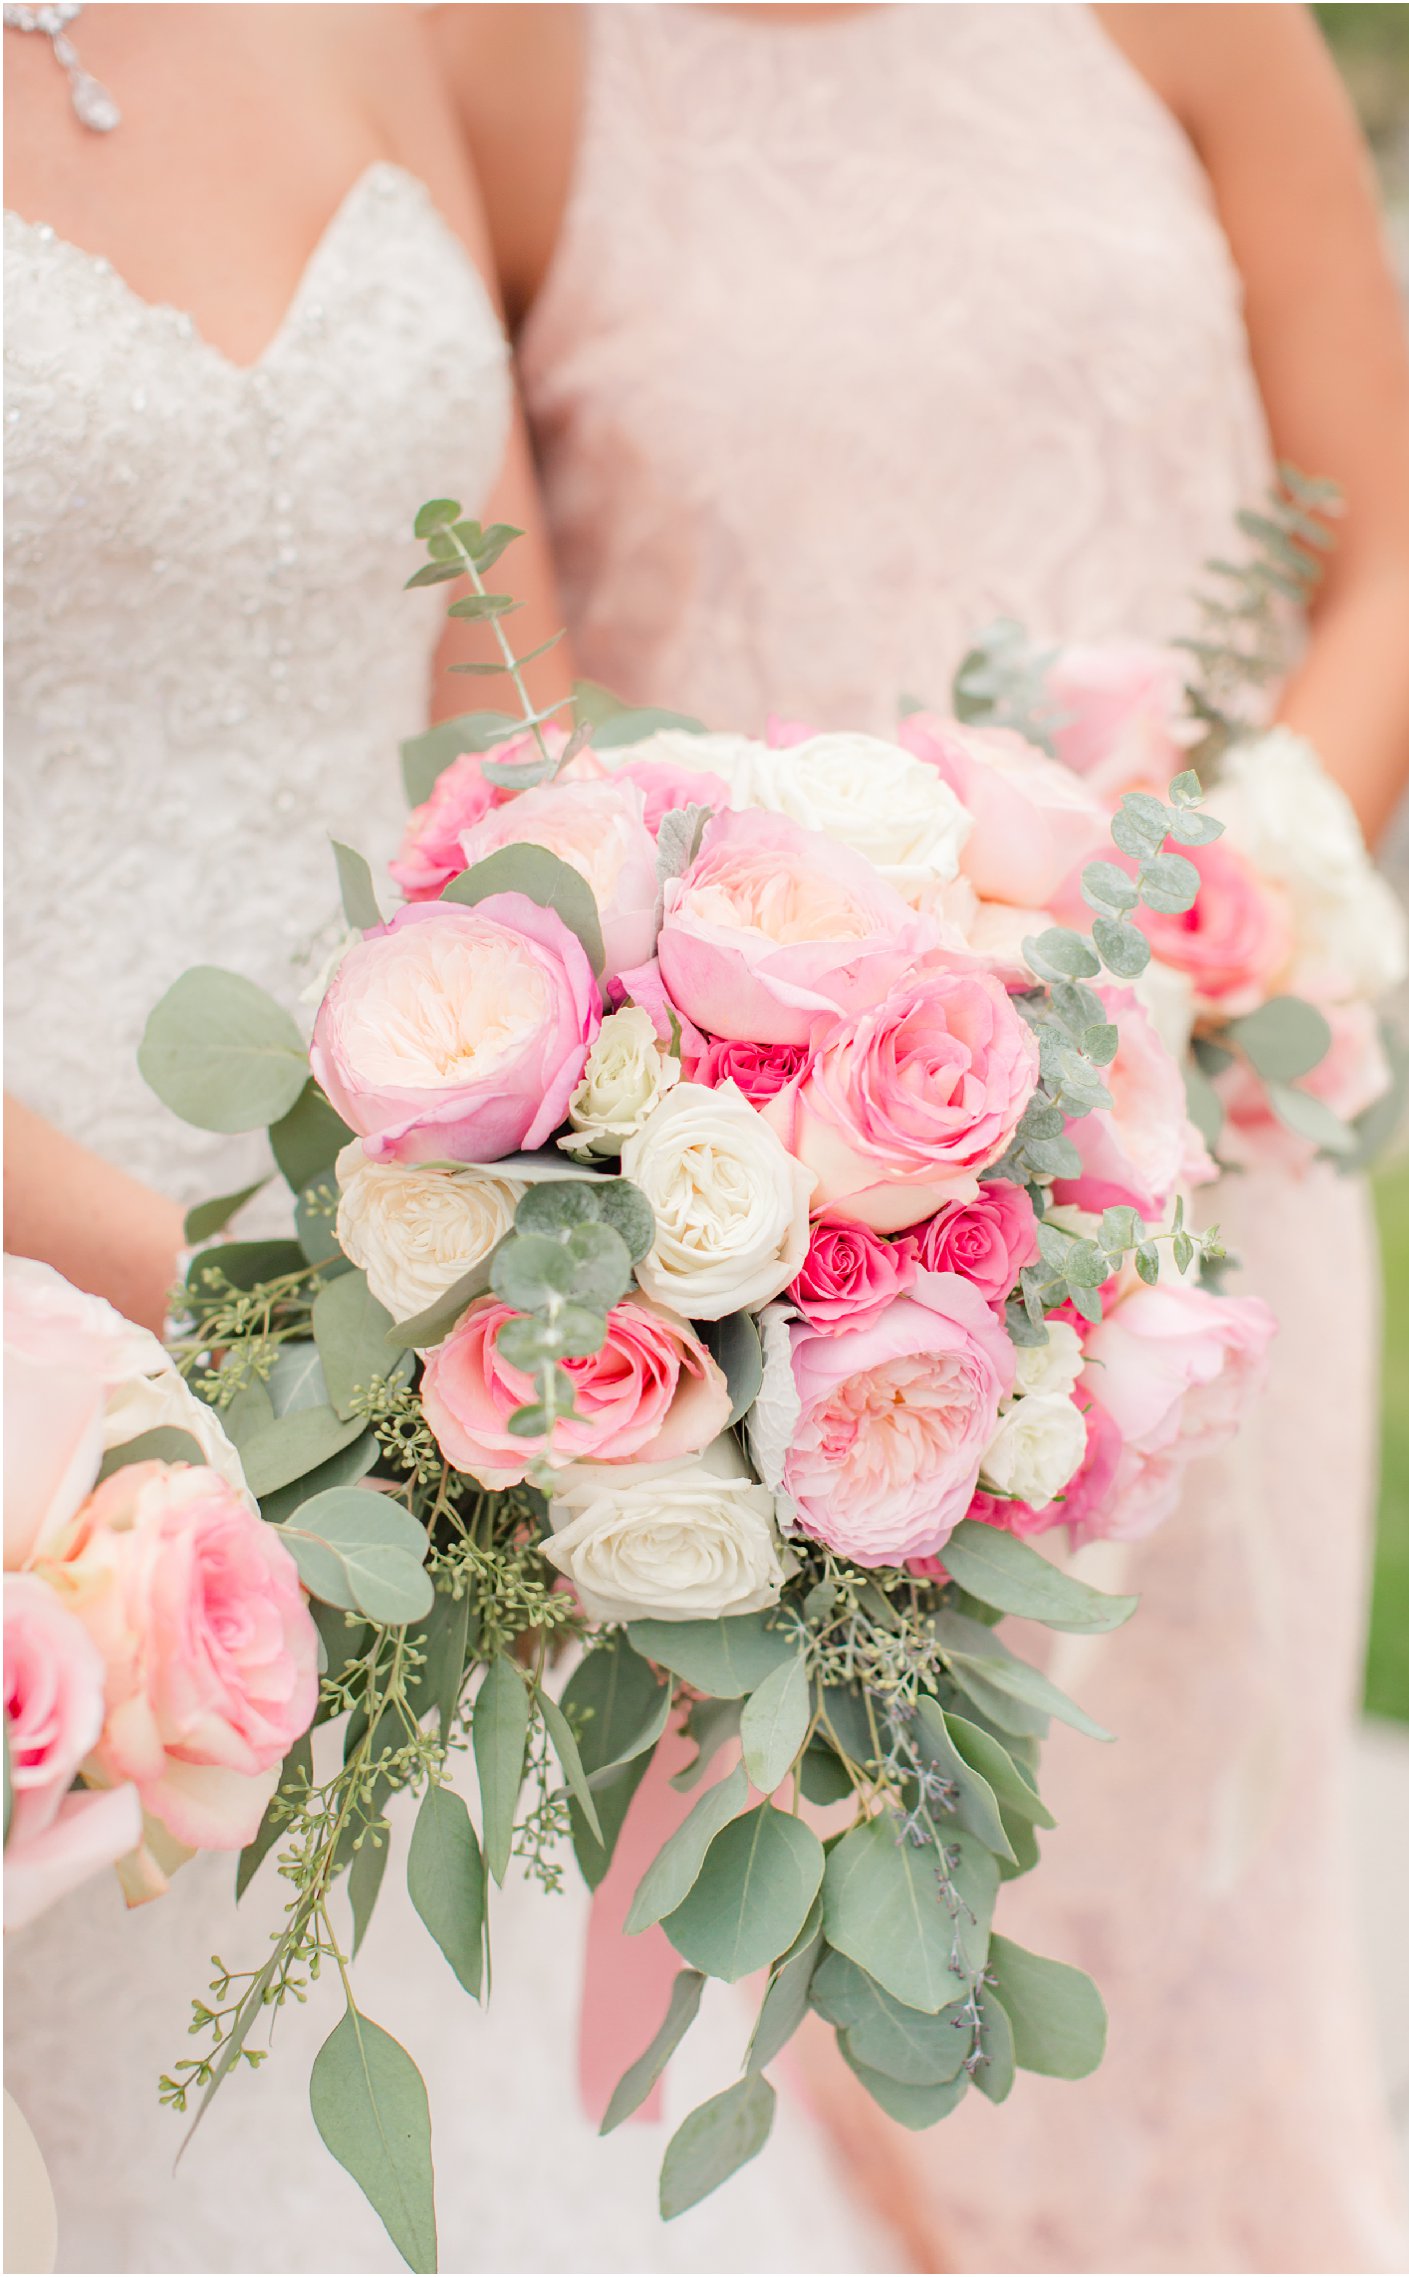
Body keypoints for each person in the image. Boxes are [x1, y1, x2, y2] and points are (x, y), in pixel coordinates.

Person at [437, 5, 1409, 2268]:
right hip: (760, 1272)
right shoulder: (510, 68)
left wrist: (1203, 950)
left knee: (1194, 1965)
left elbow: (1388, 557)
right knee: (788, 2002)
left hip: (1192, 1206)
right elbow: (501, 711)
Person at [2, 9, 895, 2270]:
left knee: (472, 2041)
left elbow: (501, 699)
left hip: (430, 1247)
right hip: (72, 1333)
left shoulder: (360, 17)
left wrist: (606, 1151)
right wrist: (244, 1291)